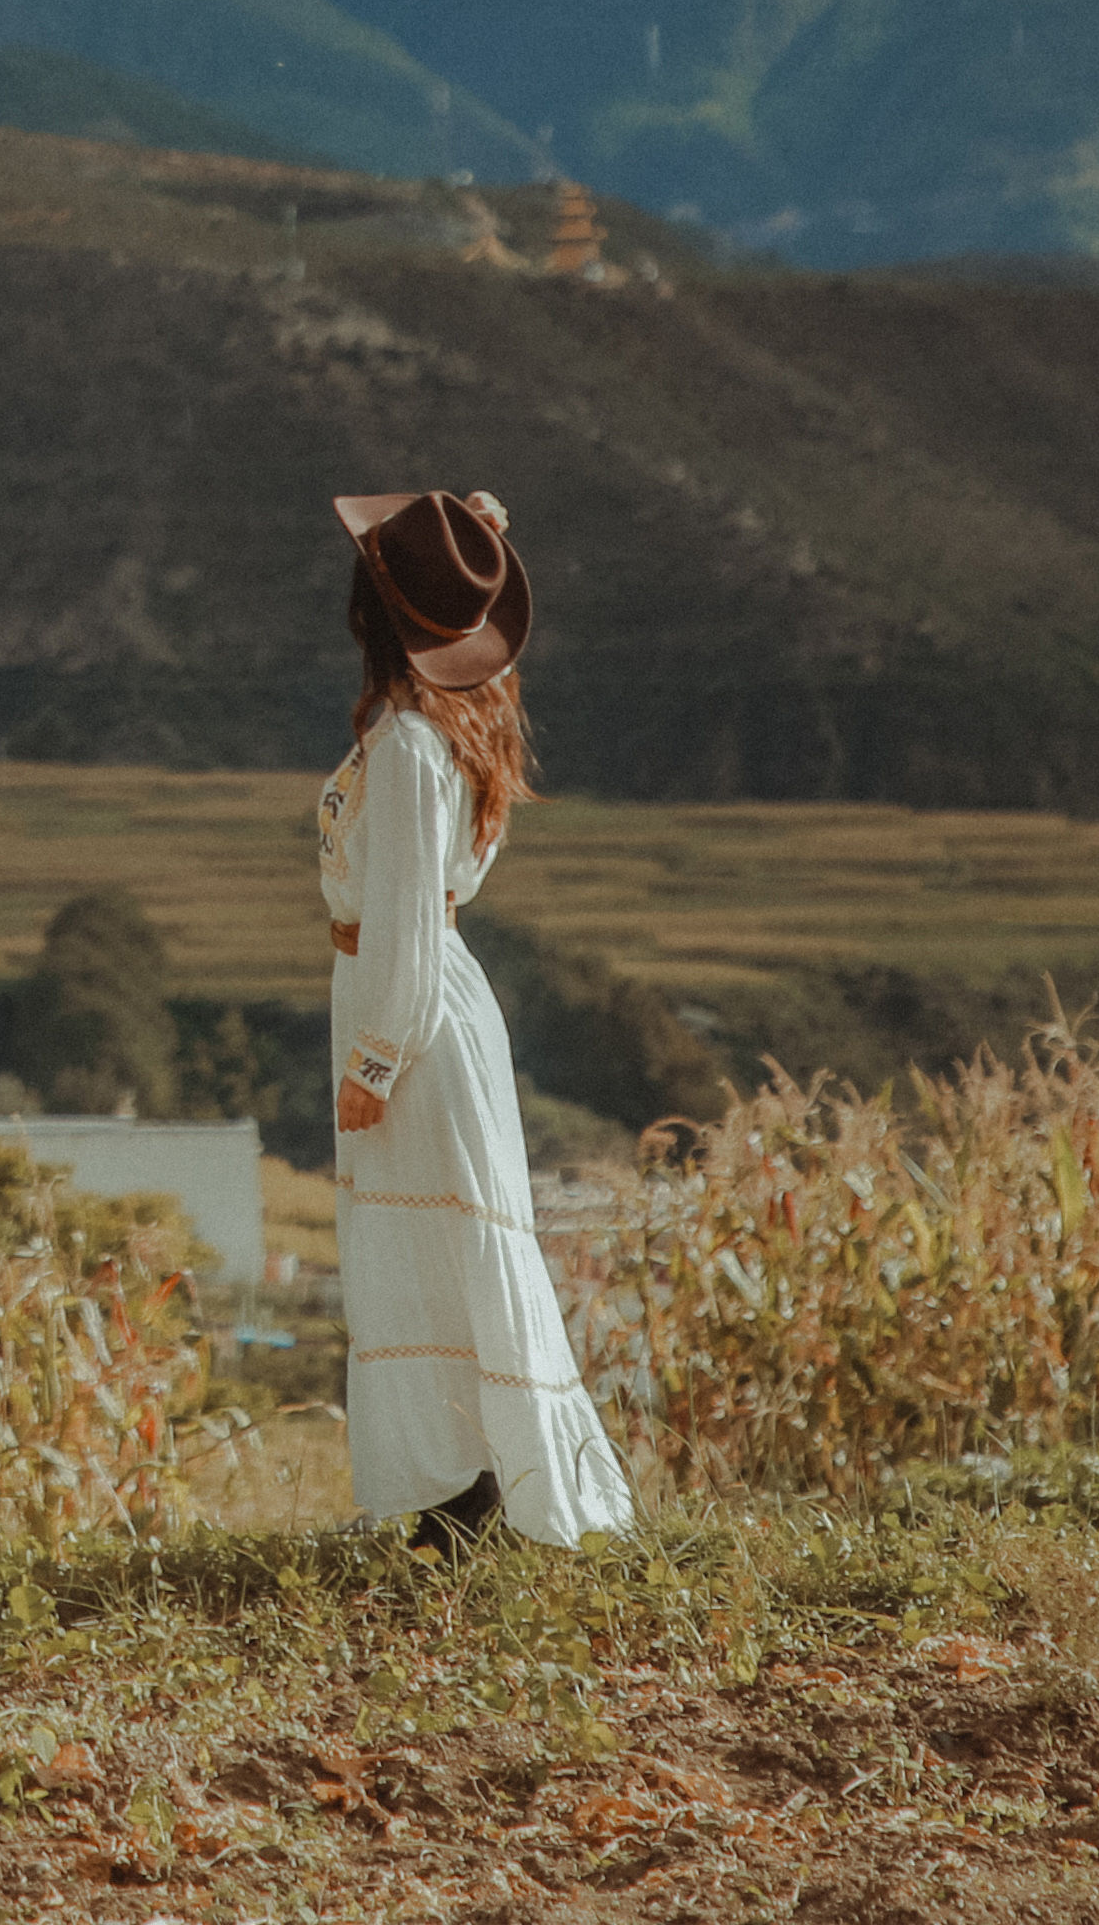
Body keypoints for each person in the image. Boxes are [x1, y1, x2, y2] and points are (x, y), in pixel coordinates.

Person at [320, 486, 632, 1552]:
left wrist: (375, 1056)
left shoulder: (409, 744)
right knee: (439, 1245)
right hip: (431, 1003)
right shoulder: (454, 726)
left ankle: (465, 1498)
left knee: (421, 1245)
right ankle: (467, 1491)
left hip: (410, 1014)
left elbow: (406, 914)